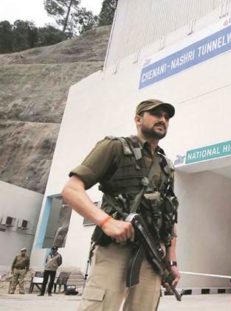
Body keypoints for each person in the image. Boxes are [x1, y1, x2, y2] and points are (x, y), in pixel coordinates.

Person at [61, 99, 180, 311]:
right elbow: (71, 189)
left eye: (166, 117)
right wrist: (106, 221)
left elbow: (170, 216)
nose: (162, 119)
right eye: (155, 114)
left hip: (152, 256)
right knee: (99, 306)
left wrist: (171, 262)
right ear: (137, 119)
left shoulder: (167, 166)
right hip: (115, 248)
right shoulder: (114, 147)